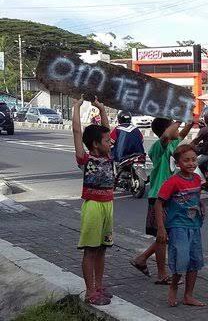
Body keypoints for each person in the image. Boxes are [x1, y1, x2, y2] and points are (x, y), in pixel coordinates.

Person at [131, 118, 193, 285]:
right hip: (159, 197)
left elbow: (181, 135)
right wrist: (178, 120)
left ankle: (142, 258)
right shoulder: (159, 146)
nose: (177, 131)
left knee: (166, 235)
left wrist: (189, 123)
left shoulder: (173, 145)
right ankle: (161, 274)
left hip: (170, 197)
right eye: (174, 128)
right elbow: (167, 135)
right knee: (162, 236)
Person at [72, 96, 114, 306]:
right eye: (106, 141)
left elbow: (106, 129)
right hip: (93, 207)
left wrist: (101, 108)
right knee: (91, 249)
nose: (110, 142)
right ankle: (90, 292)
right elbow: (77, 133)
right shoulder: (86, 158)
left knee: (102, 248)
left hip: (108, 205)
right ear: (95, 144)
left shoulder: (108, 156)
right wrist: (76, 108)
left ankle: (99, 286)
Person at [155, 144, 206, 307]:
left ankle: (188, 295)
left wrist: (201, 206)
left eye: (193, 160)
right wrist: (161, 228)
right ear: (178, 163)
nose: (191, 163)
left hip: (194, 226)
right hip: (177, 227)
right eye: (186, 161)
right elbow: (159, 203)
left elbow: (197, 197)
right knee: (180, 260)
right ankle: (174, 287)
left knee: (194, 260)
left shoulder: (197, 179)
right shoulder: (173, 182)